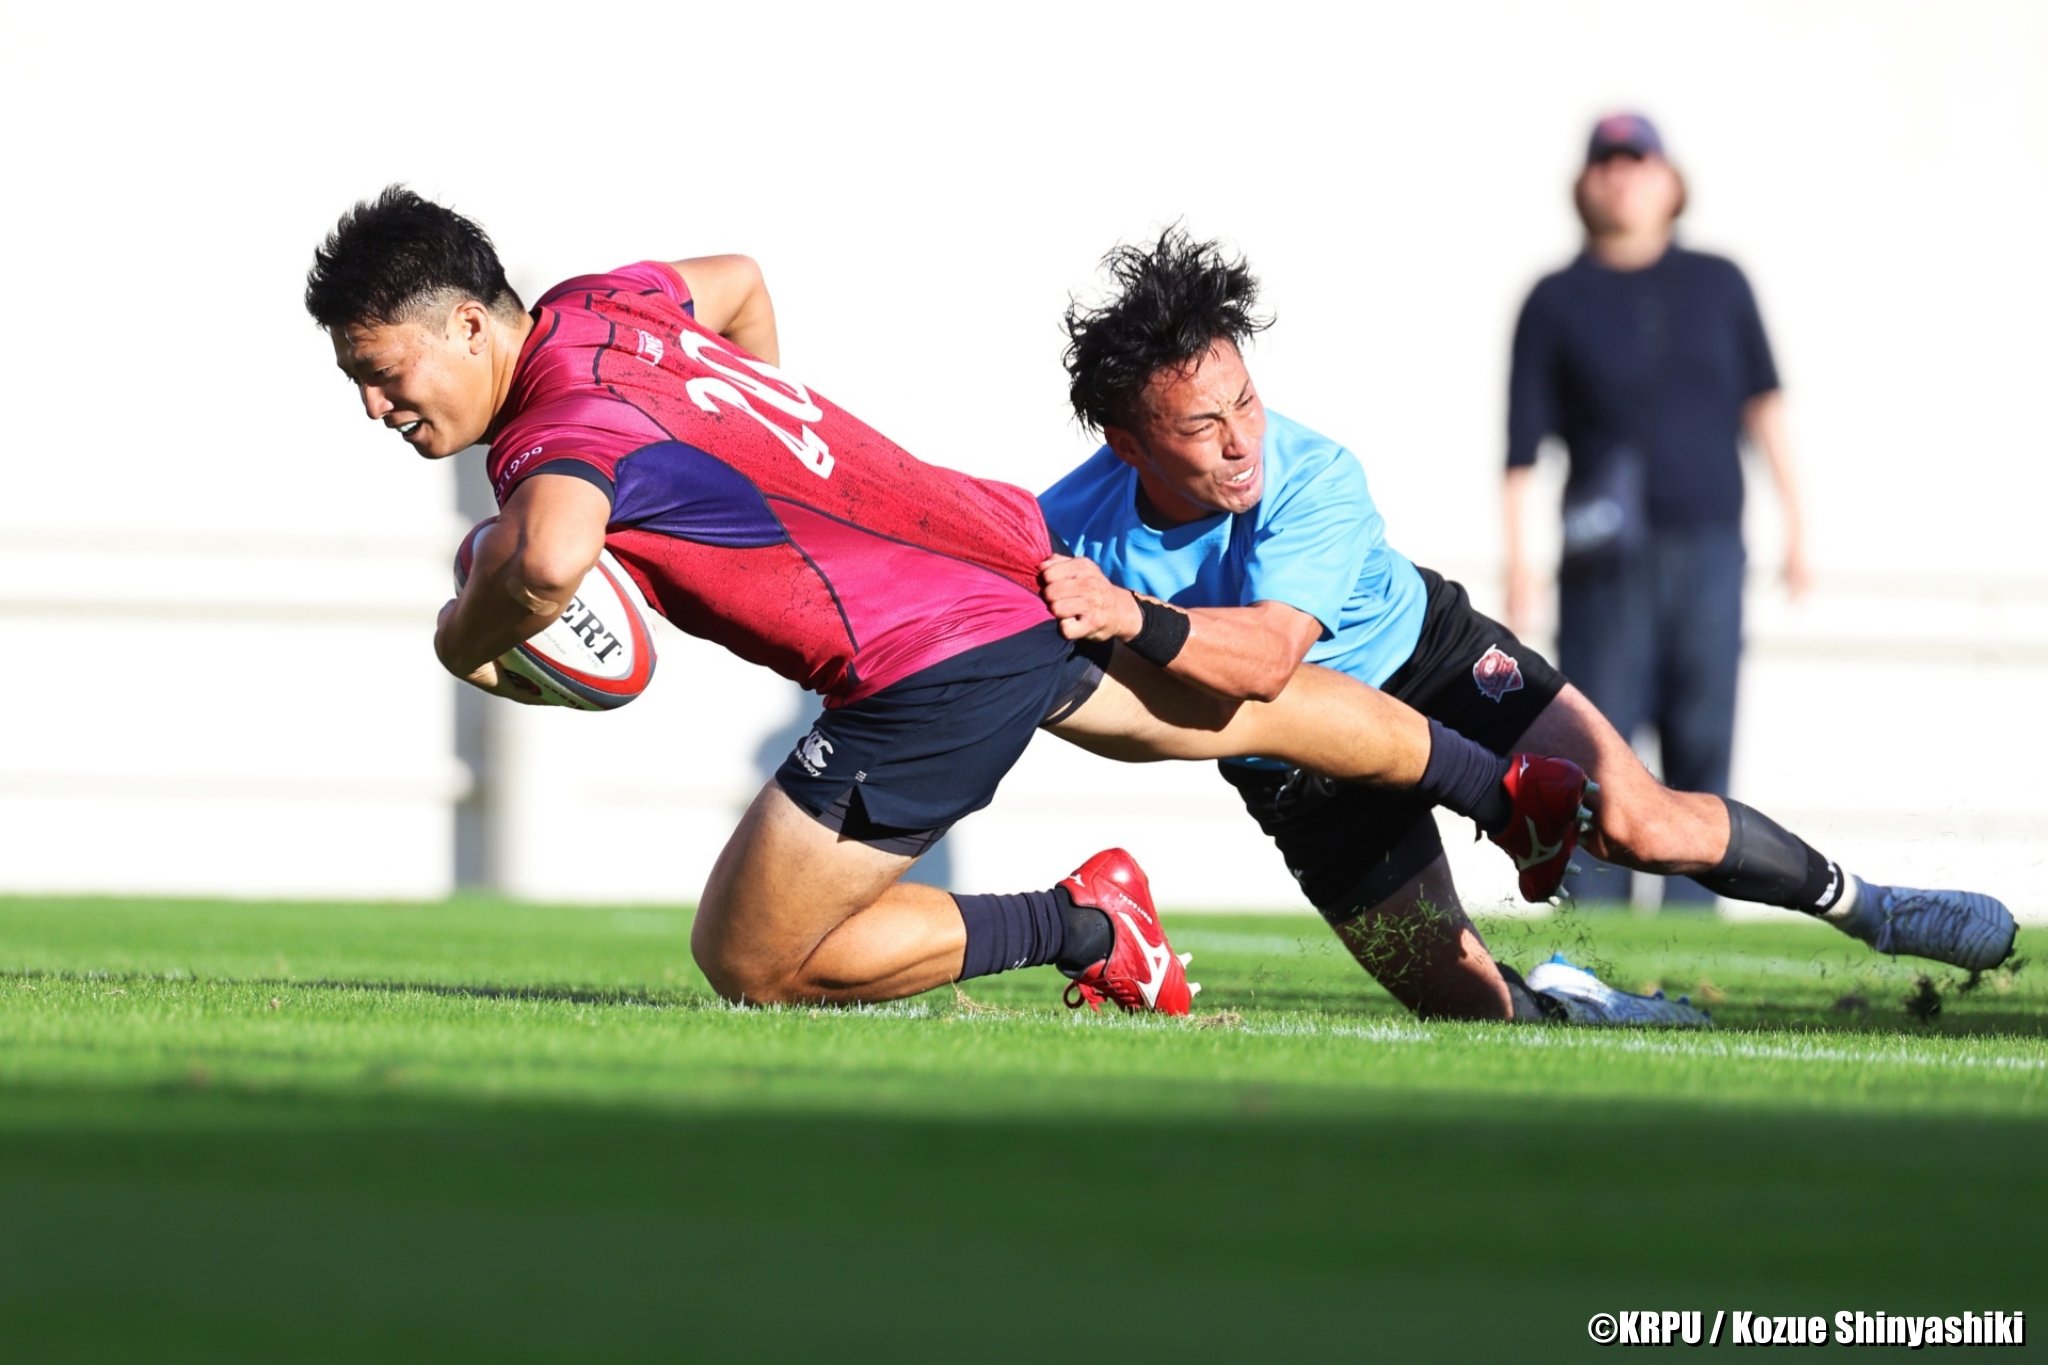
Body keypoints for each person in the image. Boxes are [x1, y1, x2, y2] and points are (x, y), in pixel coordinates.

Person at [303, 186, 1592, 1017]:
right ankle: (1503, 788)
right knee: (1225, 712)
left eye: (382, 369)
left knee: (747, 960)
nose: (374, 404)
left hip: (917, 660)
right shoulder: (603, 304)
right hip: (988, 541)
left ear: (467, 326)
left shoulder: (552, 434)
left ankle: (1084, 925)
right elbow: (740, 278)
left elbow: (540, 564)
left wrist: (462, 637)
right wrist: (749, 465)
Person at [1036, 229, 2016, 1025]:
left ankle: (1871, 907)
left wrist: (1128, 612)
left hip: (1427, 664)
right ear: (1128, 444)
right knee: (1469, 1011)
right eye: (1201, 427)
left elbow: (1266, 660)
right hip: (1291, 767)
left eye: (1246, 400)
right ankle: (1585, 1006)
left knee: (1637, 822)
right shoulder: (1071, 521)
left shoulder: (1314, 475)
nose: (1243, 439)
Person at [1503, 111, 1807, 909]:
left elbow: (1765, 407)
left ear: (1669, 181)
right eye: (1605, 161)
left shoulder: (1720, 283)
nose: (1620, 175)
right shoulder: (1554, 299)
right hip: (1605, 558)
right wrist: (1518, 564)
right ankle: (1595, 923)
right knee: (1595, 743)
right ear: (1583, 184)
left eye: (1635, 159)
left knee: (1702, 737)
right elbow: (1521, 449)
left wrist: (1798, 525)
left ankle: (1693, 919)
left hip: (1709, 544)